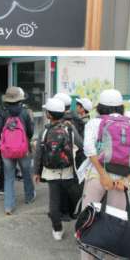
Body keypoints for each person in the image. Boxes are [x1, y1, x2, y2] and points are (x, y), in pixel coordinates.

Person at [78, 89, 130, 260]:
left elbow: (89, 149)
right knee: (116, 223)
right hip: (122, 180)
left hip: (97, 176)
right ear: (121, 107)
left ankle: (88, 257)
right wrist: (126, 179)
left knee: (88, 219)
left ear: (100, 106)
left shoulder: (95, 122)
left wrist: (103, 175)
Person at [34, 97, 83, 240]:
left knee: (54, 203)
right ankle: (80, 230)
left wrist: (36, 172)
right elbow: (81, 145)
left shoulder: (44, 131)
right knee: (77, 201)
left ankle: (57, 230)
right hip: (68, 171)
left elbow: (38, 154)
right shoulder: (69, 128)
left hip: (51, 173)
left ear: (49, 115)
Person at [0, 86, 35, 215]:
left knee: (9, 177)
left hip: (7, 149)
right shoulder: (25, 112)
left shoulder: (2, 112)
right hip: (23, 149)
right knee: (26, 173)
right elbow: (30, 132)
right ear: (19, 99)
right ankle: (29, 197)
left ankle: (8, 206)